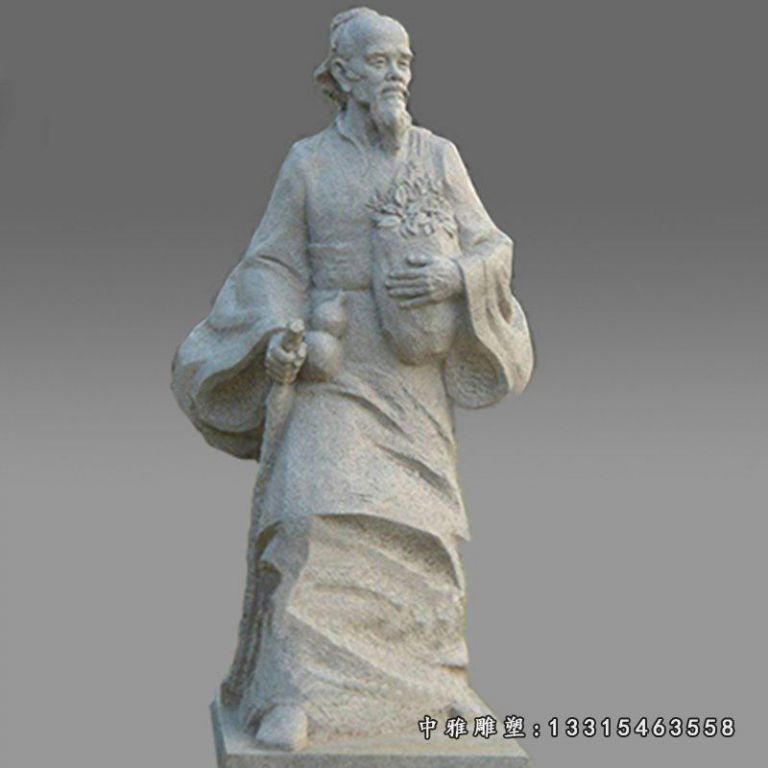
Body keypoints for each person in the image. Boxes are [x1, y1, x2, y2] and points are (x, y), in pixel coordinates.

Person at [172, 7, 533, 751]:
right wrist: (280, 330)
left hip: (410, 370)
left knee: (426, 529)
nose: (396, 75)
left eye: (404, 61)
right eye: (378, 62)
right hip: (332, 368)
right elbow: (272, 263)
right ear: (342, 74)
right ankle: (292, 693)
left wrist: (454, 276)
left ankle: (440, 685)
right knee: (307, 516)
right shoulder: (307, 164)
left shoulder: (438, 156)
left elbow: (493, 246)